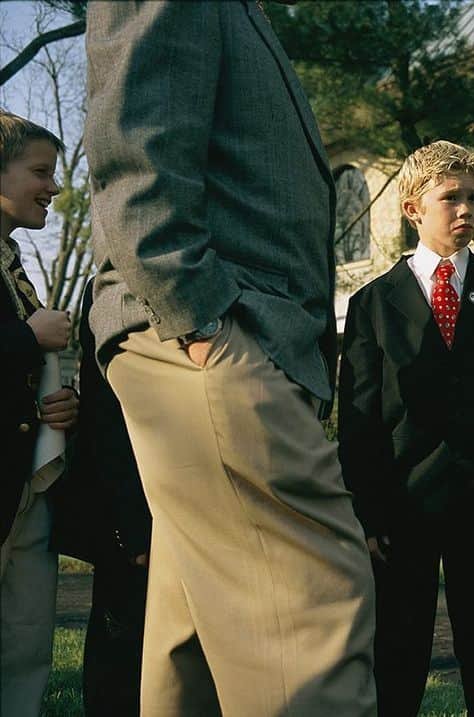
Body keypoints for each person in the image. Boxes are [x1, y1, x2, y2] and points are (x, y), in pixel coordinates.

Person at [84, 3, 376, 714]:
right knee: (315, 602)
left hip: (235, 335)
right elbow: (135, 144)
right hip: (207, 330)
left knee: (188, 648)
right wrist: (201, 321)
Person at [338, 140, 474, 716]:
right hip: (402, 510)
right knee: (394, 661)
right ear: (413, 208)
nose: (466, 210)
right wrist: (368, 514)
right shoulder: (373, 303)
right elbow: (359, 417)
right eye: (451, 198)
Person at [0, 110, 79, 717]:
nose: (54, 187)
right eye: (40, 171)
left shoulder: (13, 261)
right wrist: (28, 341)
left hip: (24, 490)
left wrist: (56, 401)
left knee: (26, 644)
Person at [49, 277, 152, 716]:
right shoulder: (109, 292)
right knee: (123, 656)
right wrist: (131, 529)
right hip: (133, 514)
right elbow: (106, 418)